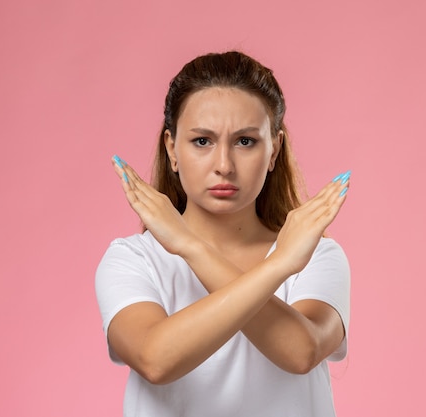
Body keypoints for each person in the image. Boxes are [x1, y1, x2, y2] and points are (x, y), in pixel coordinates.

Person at [95, 51, 351, 417]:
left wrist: (191, 247)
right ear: (172, 149)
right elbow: (155, 360)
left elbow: (300, 352)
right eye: (202, 141)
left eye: (245, 141)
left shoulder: (318, 256)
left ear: (274, 149)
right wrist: (277, 264)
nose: (224, 166)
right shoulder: (133, 259)